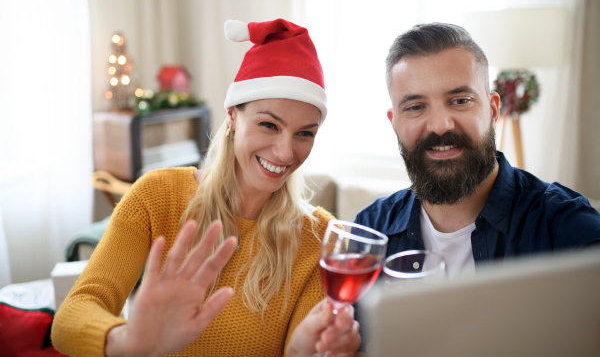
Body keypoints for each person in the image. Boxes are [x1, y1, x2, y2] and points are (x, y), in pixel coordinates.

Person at [52, 19, 361, 357]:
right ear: (232, 115)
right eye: (268, 124)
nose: (286, 152)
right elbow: (71, 317)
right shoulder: (155, 197)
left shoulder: (322, 240)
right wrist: (130, 343)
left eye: (305, 133)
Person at [353, 22, 600, 350]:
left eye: (459, 101)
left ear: (493, 109)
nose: (441, 125)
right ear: (395, 123)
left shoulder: (565, 227)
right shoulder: (370, 229)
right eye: (415, 107)